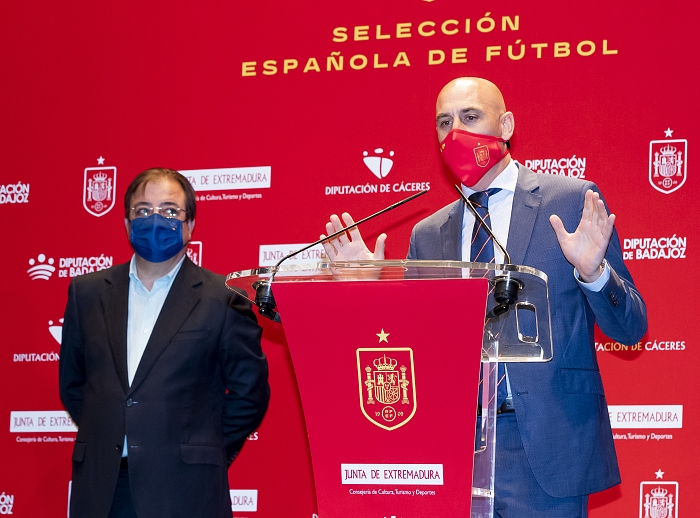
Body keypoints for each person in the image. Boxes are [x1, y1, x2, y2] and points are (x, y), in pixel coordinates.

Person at [321, 78, 647, 517]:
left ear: (505, 125)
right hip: (453, 449)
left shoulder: (570, 201)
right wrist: (367, 294)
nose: (455, 132)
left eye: (470, 117)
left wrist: (594, 273)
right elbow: (409, 349)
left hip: (546, 444)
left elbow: (631, 327)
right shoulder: (428, 234)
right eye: (444, 122)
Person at [59, 168, 270, 518]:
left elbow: (250, 394)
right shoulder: (87, 294)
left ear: (190, 225)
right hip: (102, 490)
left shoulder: (223, 298)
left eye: (170, 211)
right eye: (143, 210)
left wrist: (202, 448)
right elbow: (73, 385)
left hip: (186, 489)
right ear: (127, 222)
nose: (155, 220)